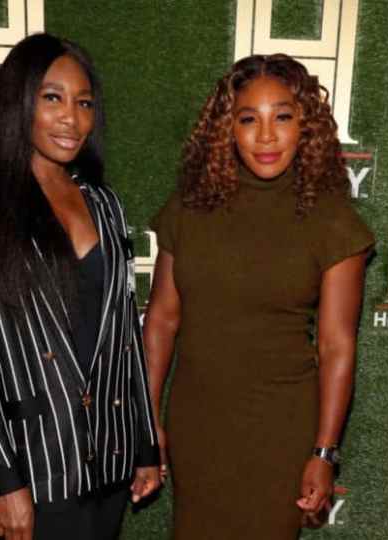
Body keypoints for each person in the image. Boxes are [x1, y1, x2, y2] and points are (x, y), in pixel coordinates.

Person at [0, 33, 160, 540]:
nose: (71, 118)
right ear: (19, 102)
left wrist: (144, 445)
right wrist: (4, 482)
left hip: (111, 453)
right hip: (37, 463)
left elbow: (125, 334)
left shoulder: (105, 204)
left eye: (84, 103)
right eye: (53, 98)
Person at [142, 54, 373, 539]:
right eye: (249, 119)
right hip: (197, 422)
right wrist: (147, 419)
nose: (266, 136)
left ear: (305, 125)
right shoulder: (189, 208)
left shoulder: (332, 221)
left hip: (281, 429)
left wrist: (323, 451)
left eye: (282, 117)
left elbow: (336, 346)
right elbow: (161, 318)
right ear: (227, 128)